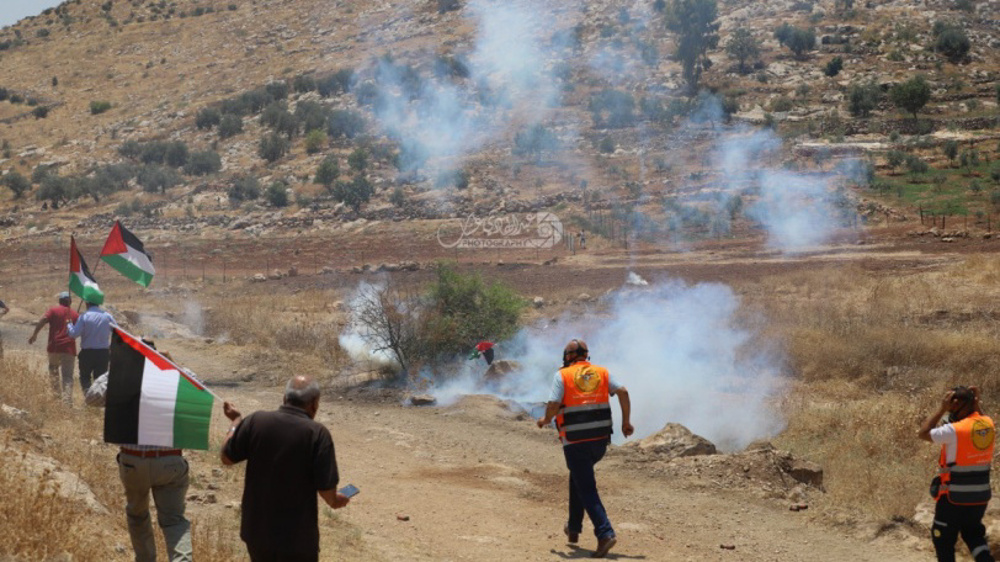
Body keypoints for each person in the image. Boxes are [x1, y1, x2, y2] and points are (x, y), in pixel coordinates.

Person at [221, 375, 350, 562]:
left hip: (257, 533)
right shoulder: (317, 433)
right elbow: (326, 490)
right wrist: (335, 500)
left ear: (284, 398)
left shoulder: (256, 420)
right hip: (297, 540)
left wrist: (235, 422)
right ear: (314, 404)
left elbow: (226, 457)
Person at [536, 339, 633, 559]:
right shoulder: (602, 372)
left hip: (576, 441)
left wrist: (545, 419)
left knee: (587, 487)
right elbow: (624, 392)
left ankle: (605, 533)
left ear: (569, 356)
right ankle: (573, 528)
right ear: (586, 355)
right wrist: (625, 423)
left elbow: (553, 404)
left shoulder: (562, 375)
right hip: (600, 441)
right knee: (578, 478)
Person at [919, 385, 996, 562]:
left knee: (942, 539)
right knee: (973, 535)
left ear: (957, 404)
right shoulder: (988, 424)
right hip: (980, 496)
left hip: (953, 498)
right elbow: (981, 418)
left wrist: (941, 409)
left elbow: (923, 433)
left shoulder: (955, 430)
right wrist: (975, 402)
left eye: (952, 407)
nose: (950, 412)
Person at [28, 292, 79, 402]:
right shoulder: (75, 314)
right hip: (69, 349)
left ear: (60, 301)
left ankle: (56, 399)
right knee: (67, 376)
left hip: (54, 347)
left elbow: (43, 320)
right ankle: (67, 402)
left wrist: (35, 334)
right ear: (70, 301)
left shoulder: (53, 310)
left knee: (53, 371)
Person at [66, 295, 116, 394]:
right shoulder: (107, 316)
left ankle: (88, 398)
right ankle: (98, 400)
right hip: (103, 353)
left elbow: (73, 334)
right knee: (100, 380)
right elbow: (118, 332)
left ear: (87, 303)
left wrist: (69, 325)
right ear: (98, 303)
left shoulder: (84, 316)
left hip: (87, 353)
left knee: (85, 378)